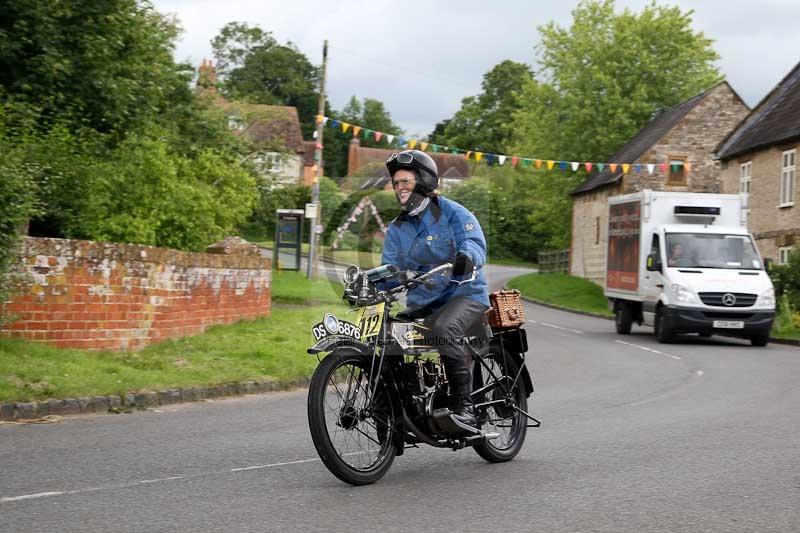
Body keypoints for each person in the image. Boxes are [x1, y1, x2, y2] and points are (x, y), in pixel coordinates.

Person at [381, 149, 490, 431]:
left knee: (445, 329)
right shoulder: (396, 229)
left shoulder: (453, 212)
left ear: (424, 181)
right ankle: (399, 408)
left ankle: (463, 407)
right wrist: (371, 282)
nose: (399, 188)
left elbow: (473, 242)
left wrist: (466, 258)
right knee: (386, 335)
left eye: (405, 181)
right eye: (396, 183)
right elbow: (389, 269)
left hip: (464, 295)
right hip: (423, 302)